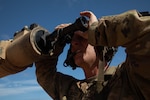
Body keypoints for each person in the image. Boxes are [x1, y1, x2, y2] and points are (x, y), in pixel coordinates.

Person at [79, 10, 150, 99]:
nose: (74, 43)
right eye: (72, 40)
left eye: (81, 38)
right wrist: (58, 39)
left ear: (101, 45)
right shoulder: (75, 89)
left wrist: (96, 30)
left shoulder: (126, 77)